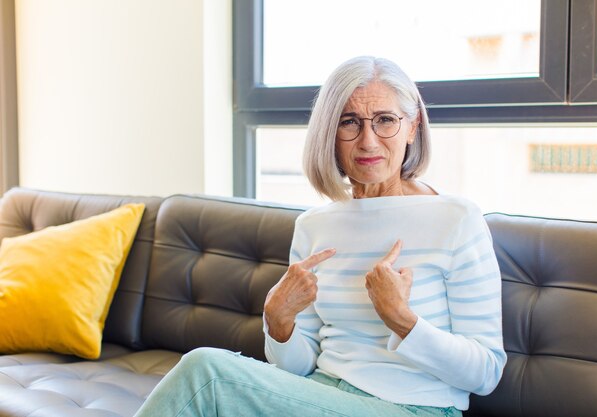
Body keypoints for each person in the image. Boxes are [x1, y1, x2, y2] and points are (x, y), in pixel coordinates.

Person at [134, 56, 506, 417]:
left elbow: (485, 373)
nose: (368, 141)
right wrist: (278, 323)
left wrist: (402, 319)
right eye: (349, 123)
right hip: (321, 395)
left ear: (412, 126)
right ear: (330, 133)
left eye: (385, 121)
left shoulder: (456, 219)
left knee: (207, 374)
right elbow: (297, 368)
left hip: (415, 407)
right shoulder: (314, 226)